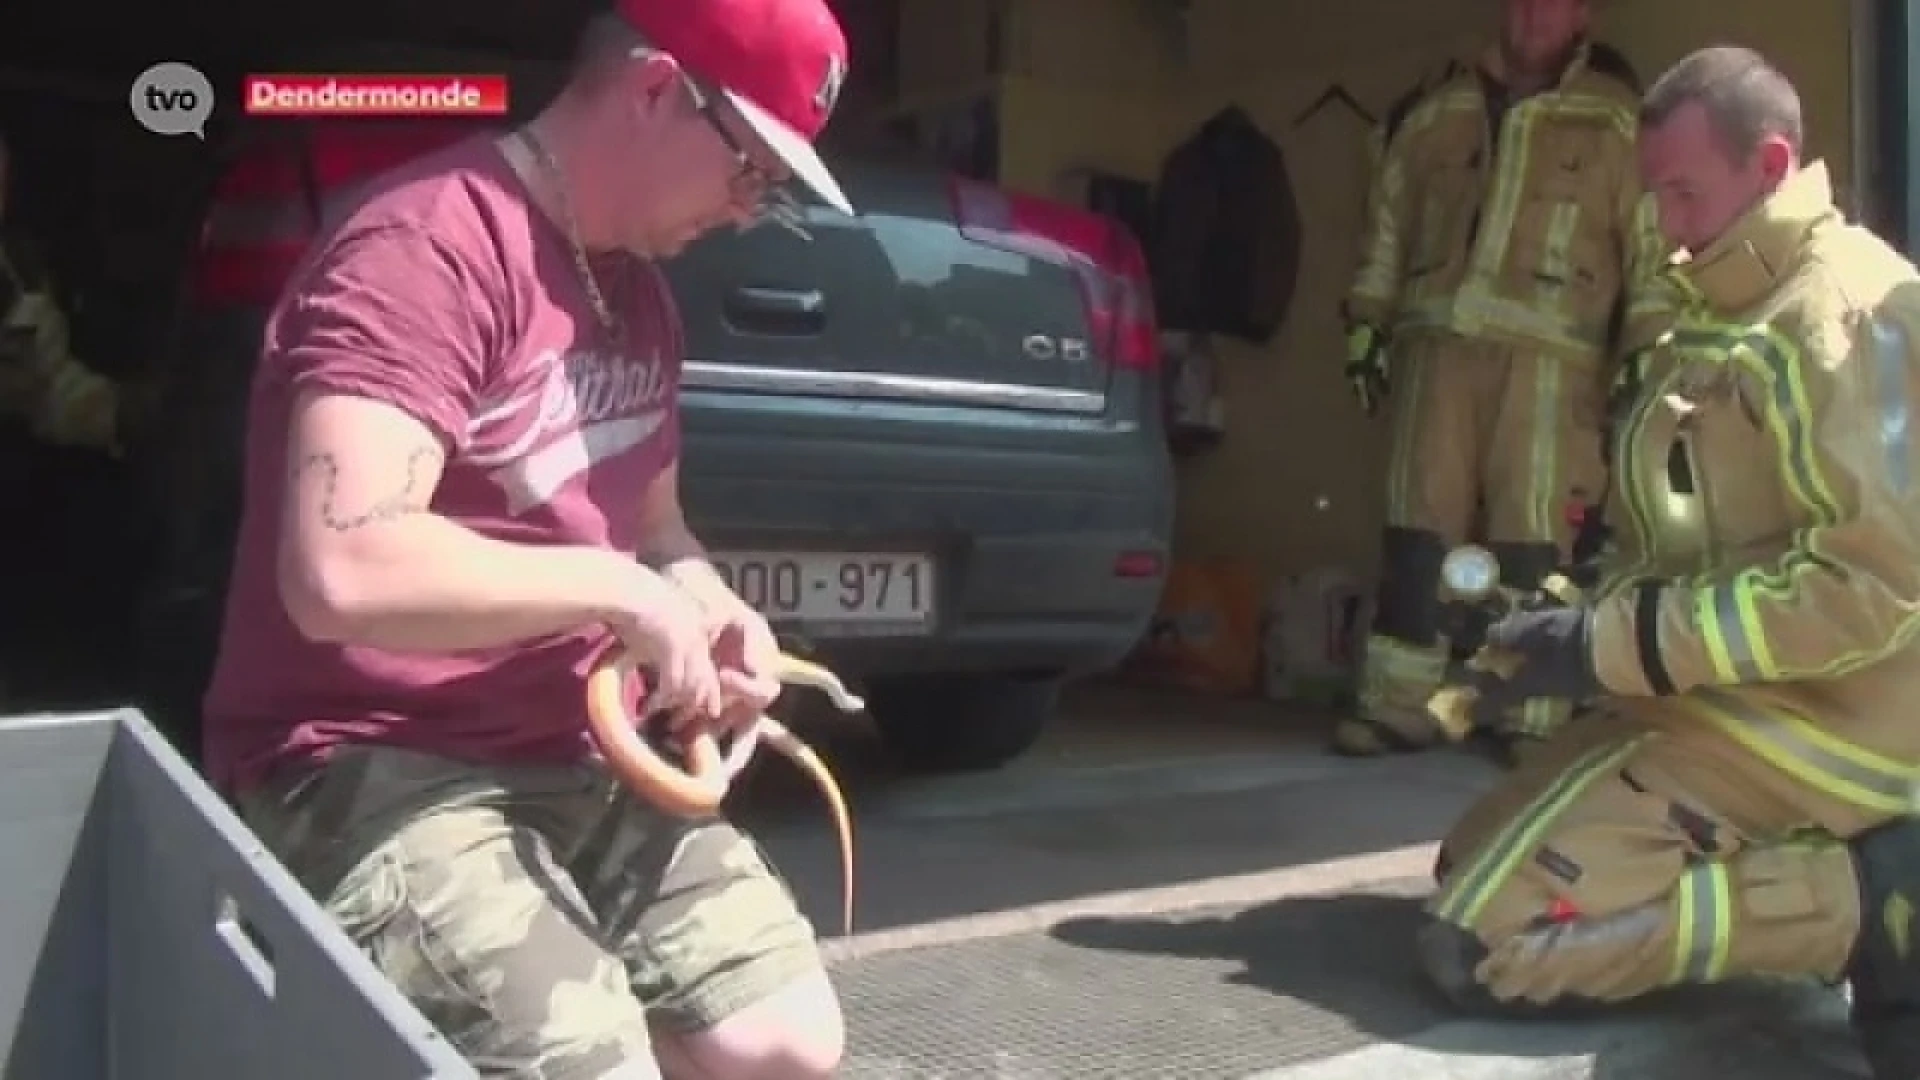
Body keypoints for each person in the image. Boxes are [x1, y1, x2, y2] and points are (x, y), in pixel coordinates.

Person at [200, 1, 856, 1076]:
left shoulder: (642, 298)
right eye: (750, 166)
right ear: (653, 89)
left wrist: (705, 601)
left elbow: (656, 529)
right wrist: (617, 593)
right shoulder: (426, 248)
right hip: (371, 760)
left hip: (572, 751)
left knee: (784, 1042)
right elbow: (341, 563)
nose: (751, 209)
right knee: (587, 1060)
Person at [1418, 46, 1920, 1080]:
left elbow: (1876, 587)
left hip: (1829, 733)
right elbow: (1694, 536)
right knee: (1461, 865)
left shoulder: (1853, 314)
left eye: (1684, 192)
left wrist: (1611, 644)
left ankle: (1864, 904)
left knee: (1491, 944)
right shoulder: (1722, 304)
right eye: (1657, 197)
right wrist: (1553, 622)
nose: (1667, 224)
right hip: (1727, 699)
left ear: (1771, 164)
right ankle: (1798, 880)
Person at [1333, 0, 1674, 760]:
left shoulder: (1618, 118)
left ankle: (1533, 715)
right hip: (1437, 349)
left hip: (1554, 365)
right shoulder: (1434, 110)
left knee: (1537, 542)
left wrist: (1648, 348)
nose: (1533, 14)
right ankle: (1400, 702)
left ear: (1583, 11)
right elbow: (1386, 225)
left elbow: (1652, 248)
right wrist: (1367, 321)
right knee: (1418, 532)